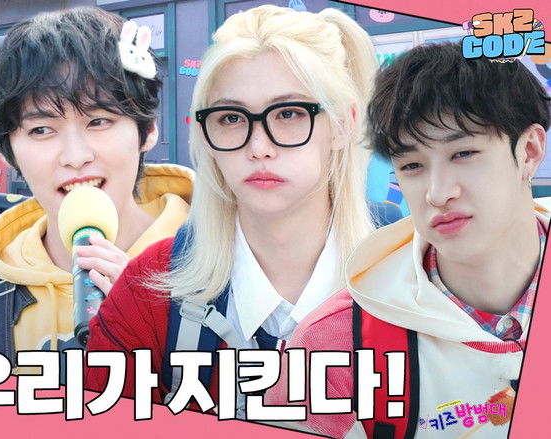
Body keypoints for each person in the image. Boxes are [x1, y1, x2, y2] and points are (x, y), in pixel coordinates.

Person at [85, 4, 376, 412]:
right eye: (231, 118)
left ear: (343, 125)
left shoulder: (421, 277)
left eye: (289, 113)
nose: (259, 147)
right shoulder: (147, 290)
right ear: (205, 134)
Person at [266, 42, 550, 438]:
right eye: (412, 165)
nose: (438, 193)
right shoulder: (336, 346)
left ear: (530, 150)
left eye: (463, 153)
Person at [0, 7, 193, 369]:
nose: (75, 157)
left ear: (148, 128)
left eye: (99, 121)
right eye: (42, 130)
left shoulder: (230, 273)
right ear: (8, 150)